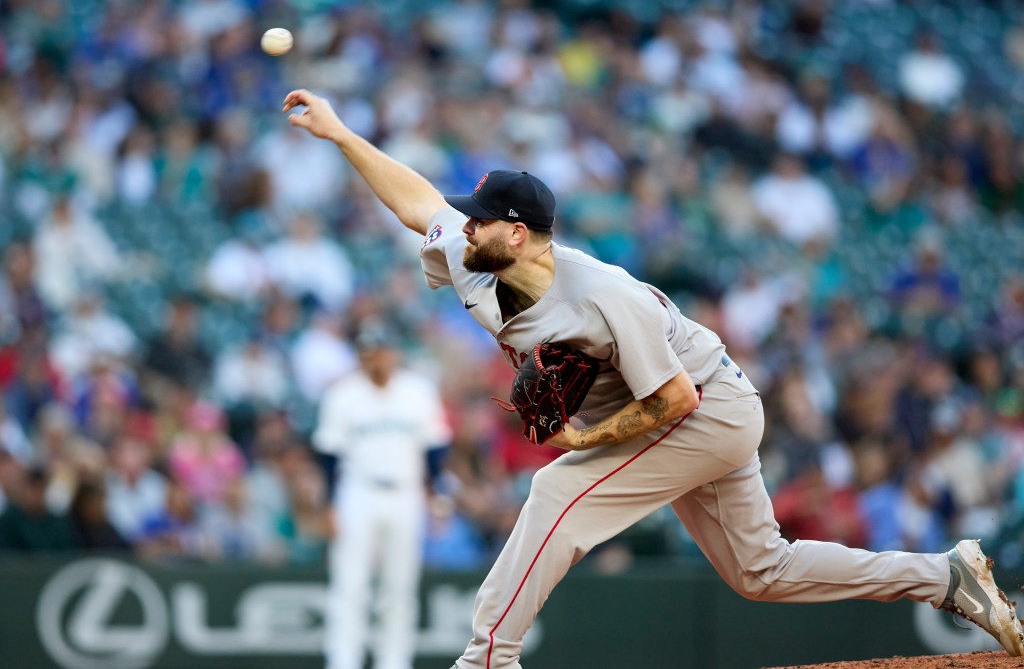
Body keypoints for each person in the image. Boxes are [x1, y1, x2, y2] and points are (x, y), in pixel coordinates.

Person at [282, 88, 1024, 668]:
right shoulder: (474, 260)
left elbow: (674, 399)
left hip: (706, 409)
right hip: (693, 409)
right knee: (760, 571)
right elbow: (419, 204)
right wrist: (343, 134)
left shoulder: (603, 295)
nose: (462, 226)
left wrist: (585, 438)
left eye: (479, 220)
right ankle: (943, 576)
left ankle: (485, 660)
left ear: (519, 233)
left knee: (556, 489)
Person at [313, 322, 452, 669]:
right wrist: (328, 505)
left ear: (394, 352)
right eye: (368, 352)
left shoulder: (417, 391)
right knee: (350, 585)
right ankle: (343, 662)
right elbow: (328, 456)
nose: (375, 358)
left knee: (399, 588)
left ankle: (394, 662)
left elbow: (434, 451)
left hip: (405, 493)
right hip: (357, 492)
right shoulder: (343, 393)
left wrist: (438, 499)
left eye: (380, 350)